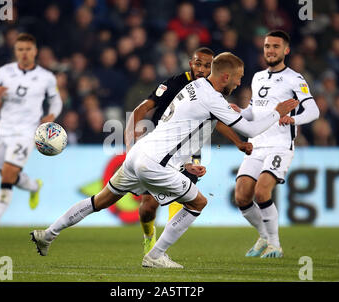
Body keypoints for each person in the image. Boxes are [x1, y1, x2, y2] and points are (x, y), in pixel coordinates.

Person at [30, 52, 298, 268]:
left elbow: (178, 131)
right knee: (198, 202)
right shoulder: (212, 99)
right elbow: (249, 129)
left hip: (142, 154)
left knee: (99, 200)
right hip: (153, 163)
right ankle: (155, 255)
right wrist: (276, 112)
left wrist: (183, 165)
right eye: (238, 79)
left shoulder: (194, 86)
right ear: (225, 76)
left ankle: (47, 234)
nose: (240, 84)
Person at [124, 47, 252, 256]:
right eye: (198, 64)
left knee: (183, 197)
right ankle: (149, 239)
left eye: (207, 66)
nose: (201, 69)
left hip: (189, 154)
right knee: (148, 207)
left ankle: (160, 250)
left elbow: (217, 121)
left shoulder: (213, 90)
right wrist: (131, 145)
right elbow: (141, 109)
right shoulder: (174, 84)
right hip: (160, 151)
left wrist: (238, 142)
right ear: (191, 64)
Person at [231, 30, 319, 258]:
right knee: (241, 196)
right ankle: (264, 236)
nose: (270, 50)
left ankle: (275, 246)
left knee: (262, 191)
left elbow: (313, 110)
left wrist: (294, 118)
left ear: (286, 51)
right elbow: (254, 111)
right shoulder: (258, 76)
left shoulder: (295, 79)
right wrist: (240, 112)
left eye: (276, 47)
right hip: (256, 144)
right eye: (267, 46)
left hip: (279, 145)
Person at [0, 33, 63, 240]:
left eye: (28, 49)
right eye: (20, 49)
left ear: (35, 51)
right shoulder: (4, 72)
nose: (24, 53)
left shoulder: (46, 77)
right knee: (6, 174)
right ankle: (34, 186)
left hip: (26, 132)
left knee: (7, 175)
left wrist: (51, 116)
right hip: (3, 130)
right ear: (15, 51)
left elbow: (56, 101)